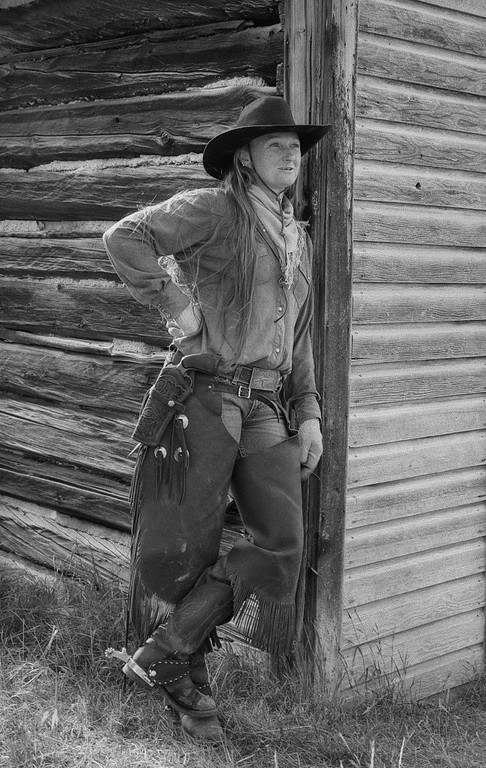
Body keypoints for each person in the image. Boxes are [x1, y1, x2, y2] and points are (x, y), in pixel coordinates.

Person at [103, 95, 329, 740]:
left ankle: (166, 650)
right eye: (276, 144)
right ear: (244, 159)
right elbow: (125, 236)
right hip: (204, 398)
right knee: (188, 548)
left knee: (282, 544)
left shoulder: (295, 234)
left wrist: (307, 412)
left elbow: (303, 335)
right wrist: (178, 305)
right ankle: (187, 687)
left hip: (267, 404)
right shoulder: (215, 209)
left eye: (296, 146)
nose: (291, 153)